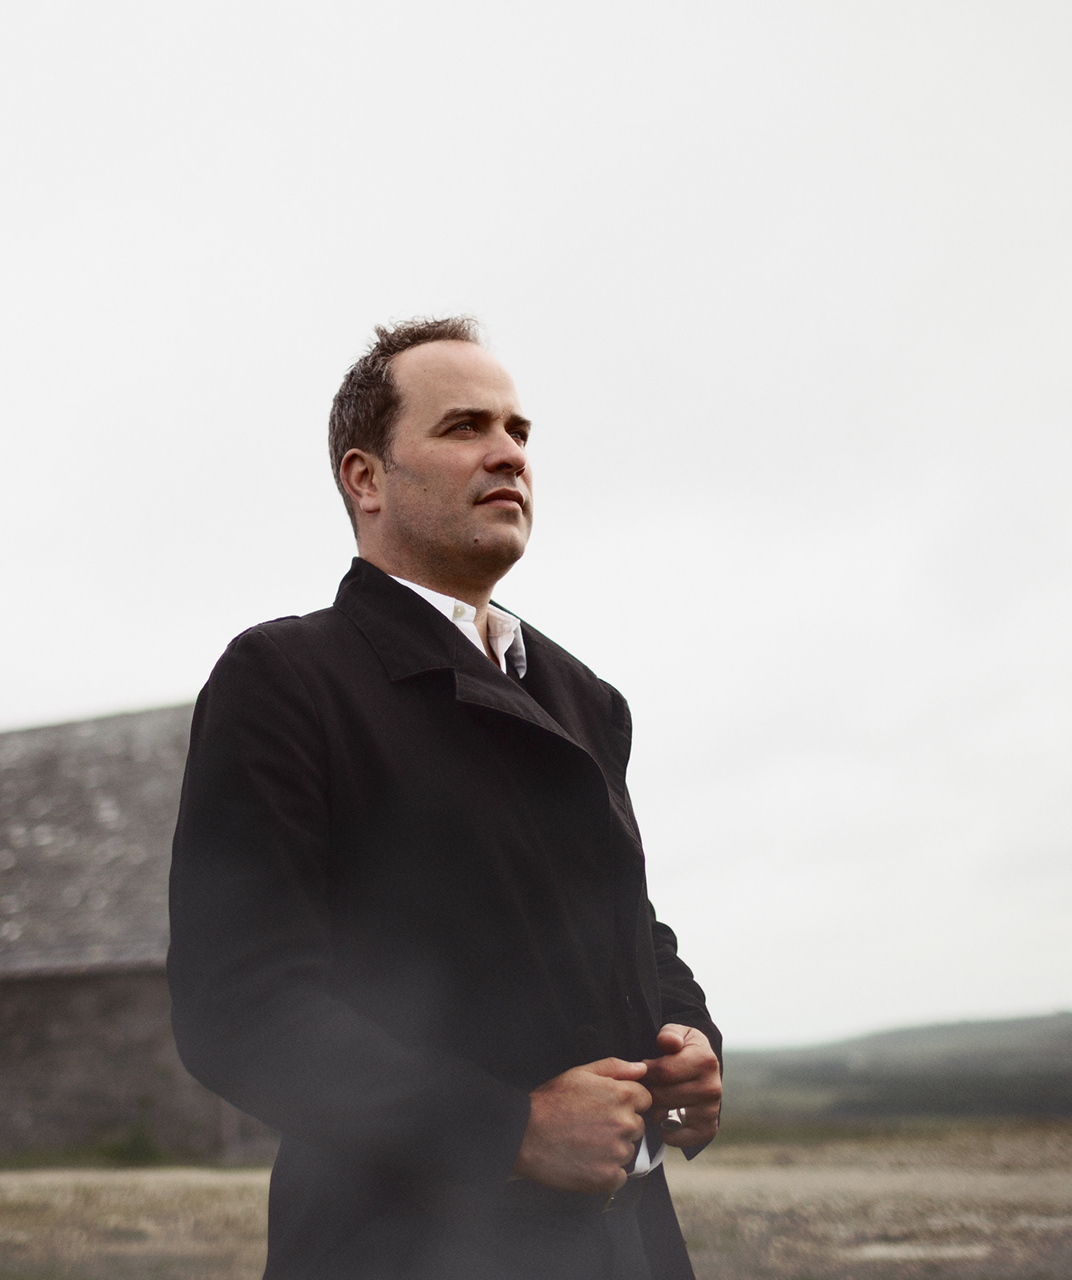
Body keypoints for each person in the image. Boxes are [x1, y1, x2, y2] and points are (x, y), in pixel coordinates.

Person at [168, 317, 722, 1279]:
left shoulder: (585, 697)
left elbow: (629, 928)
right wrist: (507, 1130)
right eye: (466, 426)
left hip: (628, 1245)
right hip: (405, 1248)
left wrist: (689, 1043)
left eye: (519, 431)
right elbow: (240, 1006)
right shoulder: (288, 677)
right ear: (366, 478)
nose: (508, 453)